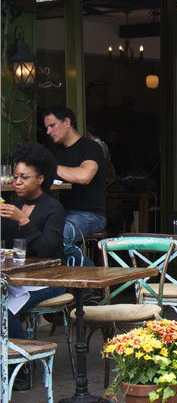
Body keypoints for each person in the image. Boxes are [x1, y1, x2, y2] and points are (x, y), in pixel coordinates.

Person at [1, 144, 66, 340]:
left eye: (24, 177)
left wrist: (23, 220)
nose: (17, 182)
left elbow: (47, 249)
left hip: (47, 281)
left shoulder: (53, 208)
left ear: (40, 179)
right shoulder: (13, 205)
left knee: (3, 311)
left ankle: (19, 358)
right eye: (15, 177)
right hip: (15, 278)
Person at [43, 105, 106, 263]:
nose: (48, 131)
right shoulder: (55, 151)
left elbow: (84, 176)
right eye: (46, 127)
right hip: (62, 212)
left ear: (67, 122)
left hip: (91, 215)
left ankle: (92, 276)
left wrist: (51, 167)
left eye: (52, 125)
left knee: (59, 236)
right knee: (34, 234)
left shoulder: (90, 147)